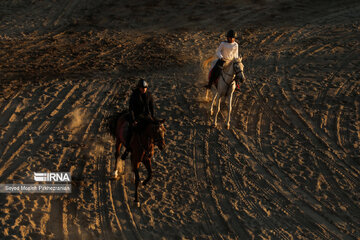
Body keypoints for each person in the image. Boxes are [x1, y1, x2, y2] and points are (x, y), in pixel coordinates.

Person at [121, 79, 155, 160]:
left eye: (145, 88)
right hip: (135, 116)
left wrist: (152, 118)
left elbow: (151, 107)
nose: (144, 89)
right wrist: (133, 120)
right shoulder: (134, 96)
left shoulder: (149, 95)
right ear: (139, 88)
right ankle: (127, 149)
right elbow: (131, 109)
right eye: (142, 88)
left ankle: (151, 148)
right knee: (131, 130)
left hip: (146, 116)